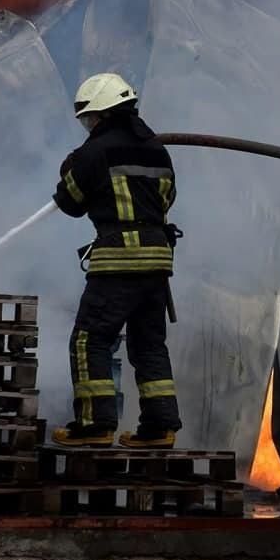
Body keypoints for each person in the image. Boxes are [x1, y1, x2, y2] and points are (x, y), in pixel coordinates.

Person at [50, 73, 182, 449]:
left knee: (90, 339)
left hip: (118, 262)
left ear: (104, 114)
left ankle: (94, 424)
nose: (88, 126)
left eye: (89, 118)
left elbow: (69, 203)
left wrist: (69, 168)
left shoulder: (94, 152)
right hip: (157, 261)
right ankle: (159, 427)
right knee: (149, 345)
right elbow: (167, 198)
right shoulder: (158, 149)